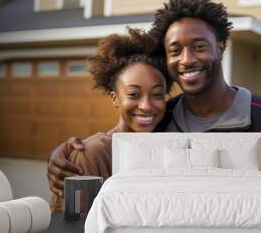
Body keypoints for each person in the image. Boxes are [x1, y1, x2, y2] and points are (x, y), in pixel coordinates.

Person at [47, 0, 261, 199]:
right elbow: (108, 147)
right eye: (175, 50)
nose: (187, 59)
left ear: (221, 46)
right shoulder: (160, 119)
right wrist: (68, 154)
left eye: (198, 46)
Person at [49, 28, 172, 212]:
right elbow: (72, 229)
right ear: (115, 98)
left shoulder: (167, 148)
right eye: (133, 94)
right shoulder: (91, 154)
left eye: (156, 94)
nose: (146, 105)